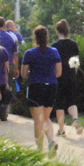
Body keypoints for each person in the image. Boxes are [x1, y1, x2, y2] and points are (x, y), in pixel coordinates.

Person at [22, 25, 62, 154]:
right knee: (46, 117)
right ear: (47, 37)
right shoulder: (54, 52)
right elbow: (59, 72)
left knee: (38, 119)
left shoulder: (29, 53)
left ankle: (39, 149)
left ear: (35, 37)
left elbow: (23, 74)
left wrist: (33, 73)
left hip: (35, 86)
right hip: (51, 85)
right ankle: (51, 141)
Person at [53, 19, 83, 136]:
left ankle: (61, 129)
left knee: (59, 103)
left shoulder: (54, 46)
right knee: (71, 101)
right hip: (71, 76)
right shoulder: (73, 44)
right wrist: (73, 74)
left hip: (59, 76)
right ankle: (75, 119)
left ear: (57, 31)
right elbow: (76, 63)